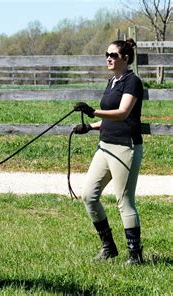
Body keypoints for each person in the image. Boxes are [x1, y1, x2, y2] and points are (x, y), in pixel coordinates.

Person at [72, 38, 144, 264]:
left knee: (124, 200)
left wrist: (93, 112)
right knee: (88, 196)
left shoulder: (133, 82)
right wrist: (90, 127)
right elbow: (109, 116)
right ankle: (109, 247)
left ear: (125, 57)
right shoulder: (112, 81)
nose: (108, 58)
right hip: (105, 146)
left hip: (125, 146)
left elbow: (123, 113)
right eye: (107, 54)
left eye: (113, 55)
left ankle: (135, 255)